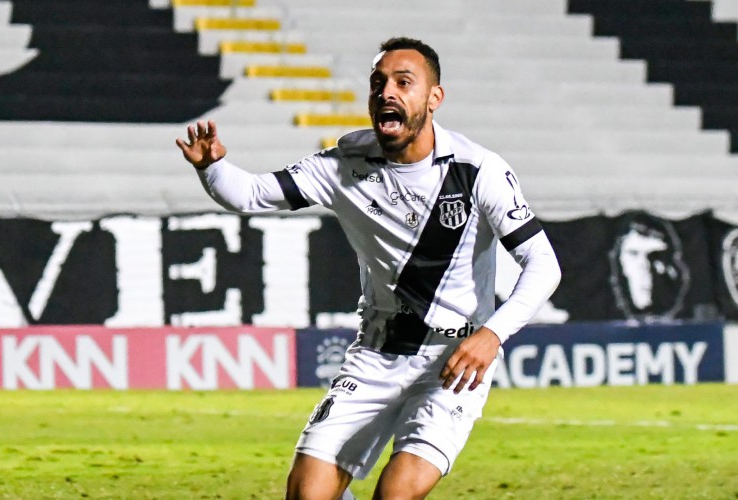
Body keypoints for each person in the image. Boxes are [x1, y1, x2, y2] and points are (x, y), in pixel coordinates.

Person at [177, 37, 561, 500]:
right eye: (378, 83)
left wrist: (491, 334)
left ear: (433, 98)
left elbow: (543, 265)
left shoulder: (478, 171)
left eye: (404, 81)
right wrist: (213, 167)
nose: (386, 92)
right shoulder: (344, 165)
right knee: (306, 494)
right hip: (377, 353)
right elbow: (252, 194)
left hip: (453, 362)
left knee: (395, 495)